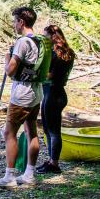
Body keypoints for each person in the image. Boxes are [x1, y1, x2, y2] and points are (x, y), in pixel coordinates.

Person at [0, 7, 50, 188]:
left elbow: (10, 70)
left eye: (15, 21)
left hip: (22, 94)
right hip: (37, 92)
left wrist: (7, 57)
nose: (14, 25)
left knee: (9, 132)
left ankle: (9, 177)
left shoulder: (23, 42)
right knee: (31, 131)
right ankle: (29, 174)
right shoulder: (40, 41)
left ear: (21, 22)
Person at [37, 25, 75, 174]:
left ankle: (54, 164)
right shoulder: (68, 52)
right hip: (57, 93)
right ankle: (51, 160)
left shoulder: (55, 53)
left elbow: (50, 75)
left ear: (53, 36)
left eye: (45, 36)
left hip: (52, 93)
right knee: (48, 129)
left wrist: (35, 73)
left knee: (53, 131)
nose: (44, 38)